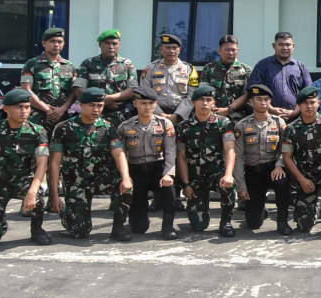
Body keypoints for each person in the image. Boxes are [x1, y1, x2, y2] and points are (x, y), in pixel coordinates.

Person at [0, 88, 51, 245]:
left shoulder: (37, 132)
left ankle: (37, 230)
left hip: (23, 182)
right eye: (19, 107)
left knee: (37, 195)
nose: (24, 111)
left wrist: (32, 191)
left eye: (27, 107)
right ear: (6, 109)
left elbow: (42, 164)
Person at [110, 87, 178, 241]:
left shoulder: (165, 124)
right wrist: (125, 177)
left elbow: (170, 151)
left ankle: (168, 225)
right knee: (139, 228)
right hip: (136, 170)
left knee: (169, 191)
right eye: (143, 103)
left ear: (156, 104)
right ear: (135, 104)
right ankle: (131, 221)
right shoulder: (125, 126)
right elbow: (122, 155)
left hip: (158, 169)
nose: (147, 107)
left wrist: (168, 173)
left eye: (151, 103)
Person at [49, 87, 117, 239]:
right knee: (80, 232)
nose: (96, 109)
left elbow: (119, 155)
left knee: (125, 185)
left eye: (99, 105)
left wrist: (125, 178)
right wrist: (54, 195)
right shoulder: (63, 128)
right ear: (80, 105)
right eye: (91, 105)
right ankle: (70, 213)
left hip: (100, 179)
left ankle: (119, 227)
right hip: (76, 183)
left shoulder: (108, 127)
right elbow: (54, 163)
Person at [174, 84, 237, 237]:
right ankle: (199, 213)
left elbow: (230, 150)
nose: (204, 103)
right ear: (193, 103)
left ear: (213, 103)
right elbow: (180, 157)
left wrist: (228, 174)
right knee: (199, 226)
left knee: (229, 185)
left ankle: (226, 222)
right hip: (194, 178)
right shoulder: (183, 127)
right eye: (201, 100)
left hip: (215, 173)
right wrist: (186, 185)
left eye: (209, 100)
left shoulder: (224, 123)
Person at [281, 86, 321, 236]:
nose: (309, 106)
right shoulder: (291, 129)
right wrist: (301, 180)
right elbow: (287, 158)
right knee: (304, 226)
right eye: (305, 103)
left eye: (312, 102)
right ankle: (318, 206)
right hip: (306, 176)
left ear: (318, 103)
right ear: (299, 106)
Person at [232, 84, 293, 235]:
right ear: (251, 102)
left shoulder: (279, 123)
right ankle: (260, 211)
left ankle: (282, 220)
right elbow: (238, 157)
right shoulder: (242, 125)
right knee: (253, 224)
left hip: (273, 169)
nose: (263, 103)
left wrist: (279, 165)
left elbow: (284, 150)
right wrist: (241, 186)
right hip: (253, 172)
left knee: (282, 183)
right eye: (259, 99)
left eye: (266, 99)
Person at [69, 29, 138, 128]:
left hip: (121, 117)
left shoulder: (127, 65)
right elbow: (78, 89)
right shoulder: (88, 63)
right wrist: (101, 102)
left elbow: (132, 90)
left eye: (114, 43)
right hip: (93, 117)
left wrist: (107, 99)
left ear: (119, 45)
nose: (111, 47)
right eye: (107, 43)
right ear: (100, 45)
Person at [246, 31, 311, 119]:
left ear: (293, 46)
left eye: (288, 45)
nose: (284, 48)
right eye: (280, 44)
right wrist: (271, 109)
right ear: (274, 46)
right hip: (268, 118)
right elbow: (253, 91)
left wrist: (296, 111)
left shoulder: (301, 67)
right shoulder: (262, 65)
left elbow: (308, 93)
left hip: (296, 119)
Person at [21, 26, 77, 128]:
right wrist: (47, 109)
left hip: (63, 118)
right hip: (37, 117)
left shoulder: (69, 66)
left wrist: (63, 109)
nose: (56, 45)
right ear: (44, 43)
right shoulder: (32, 64)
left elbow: (74, 91)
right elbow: (26, 89)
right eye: (52, 41)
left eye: (60, 42)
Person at [139, 33, 197, 124]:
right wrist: (160, 114)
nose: (171, 51)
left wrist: (177, 115)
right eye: (168, 47)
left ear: (180, 49)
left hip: (182, 118)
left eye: (174, 48)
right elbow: (145, 93)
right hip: (155, 116)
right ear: (161, 49)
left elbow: (192, 95)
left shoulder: (189, 69)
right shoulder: (150, 69)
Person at [197, 34, 251, 121]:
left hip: (239, 118)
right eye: (227, 50)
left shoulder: (246, 70)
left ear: (237, 50)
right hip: (213, 117)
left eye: (233, 50)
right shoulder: (209, 68)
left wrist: (229, 109)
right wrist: (214, 108)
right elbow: (203, 92)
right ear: (220, 51)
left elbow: (247, 94)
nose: (230, 53)